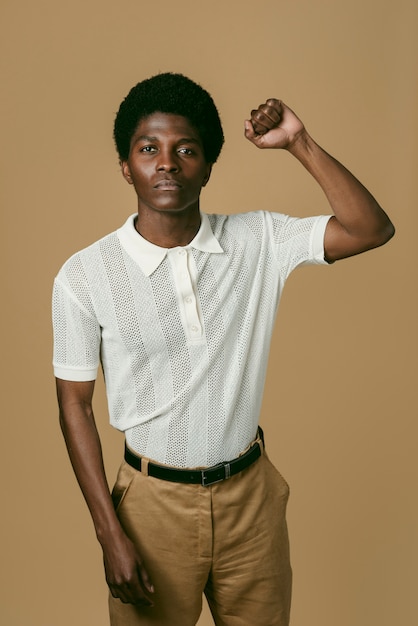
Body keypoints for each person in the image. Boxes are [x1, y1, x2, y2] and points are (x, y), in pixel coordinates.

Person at [52, 72, 394, 626]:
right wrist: (108, 531)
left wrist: (299, 142)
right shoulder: (84, 276)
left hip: (250, 502)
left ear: (209, 165)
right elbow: (73, 405)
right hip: (150, 507)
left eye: (186, 149)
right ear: (126, 166)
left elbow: (370, 228)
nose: (167, 162)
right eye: (148, 149)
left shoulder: (258, 240)